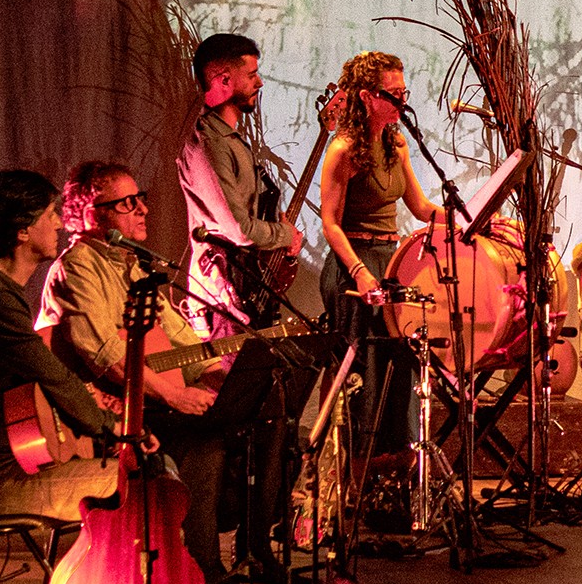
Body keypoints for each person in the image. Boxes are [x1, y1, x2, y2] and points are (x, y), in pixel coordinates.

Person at [34, 160, 241, 584]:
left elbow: (188, 342)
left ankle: (254, 555)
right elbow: (105, 357)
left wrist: (213, 376)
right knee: (204, 442)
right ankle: (201, 578)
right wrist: (176, 395)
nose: (142, 209)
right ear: (90, 213)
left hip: (146, 403)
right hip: (96, 418)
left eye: (140, 198)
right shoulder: (78, 267)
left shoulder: (136, 267)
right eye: (126, 203)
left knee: (262, 423)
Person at [0, 169, 120, 522]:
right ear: (22, 230)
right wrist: (115, 429)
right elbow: (53, 377)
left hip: (15, 465)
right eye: (50, 215)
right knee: (140, 482)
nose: (59, 224)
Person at [319, 51, 443, 460]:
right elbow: (330, 223)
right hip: (353, 263)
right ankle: (356, 467)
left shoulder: (396, 143)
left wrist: (468, 216)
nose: (402, 101)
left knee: (399, 363)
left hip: (390, 261)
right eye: (393, 94)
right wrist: (359, 272)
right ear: (367, 96)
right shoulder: (342, 149)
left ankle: (397, 463)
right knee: (364, 372)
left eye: (404, 92)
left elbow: (421, 208)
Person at [181, 32, 304, 337]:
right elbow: (239, 230)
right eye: (251, 75)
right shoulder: (210, 144)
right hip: (222, 304)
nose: (259, 83)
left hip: (241, 295)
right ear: (224, 80)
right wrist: (284, 234)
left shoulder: (230, 141)